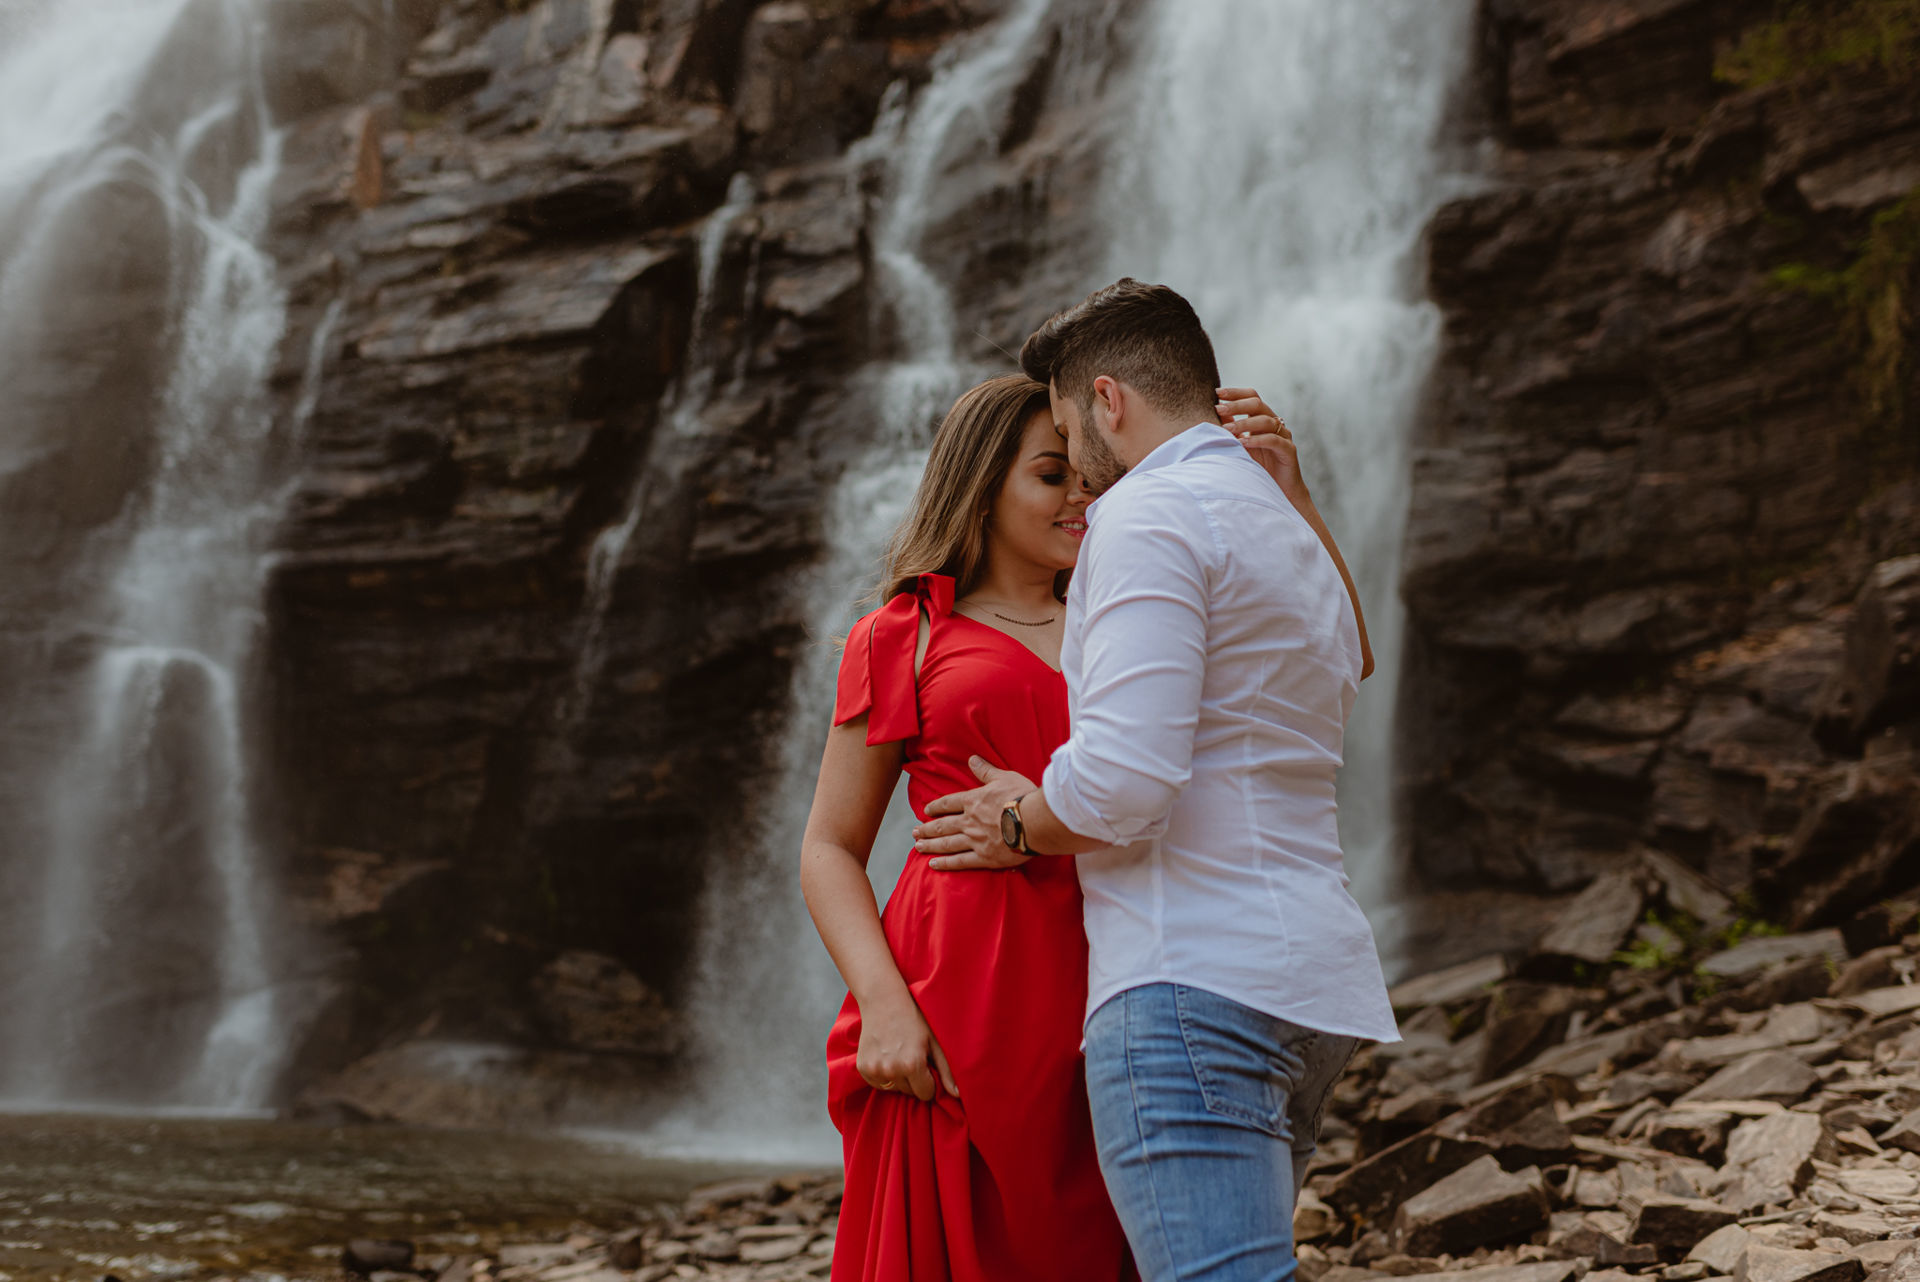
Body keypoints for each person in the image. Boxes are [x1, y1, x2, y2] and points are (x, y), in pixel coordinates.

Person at [910, 278, 1401, 1282]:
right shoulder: (1285, 524)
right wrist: (1296, 491)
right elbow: (1352, 656)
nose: (1078, 479)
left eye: (1062, 430)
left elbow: (1128, 781)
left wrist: (1019, 822)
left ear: (1107, 401)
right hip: (1312, 985)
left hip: (1191, 976)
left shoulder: (1145, 515)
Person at [800, 370, 1302, 1282]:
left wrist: (1288, 495)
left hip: (1122, 963)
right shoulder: (901, 634)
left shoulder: (1135, 614)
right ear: (980, 483)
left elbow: (1339, 651)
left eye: (1089, 477)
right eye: (1049, 474)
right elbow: (830, 847)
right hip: (955, 990)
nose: (1081, 496)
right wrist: (882, 1003)